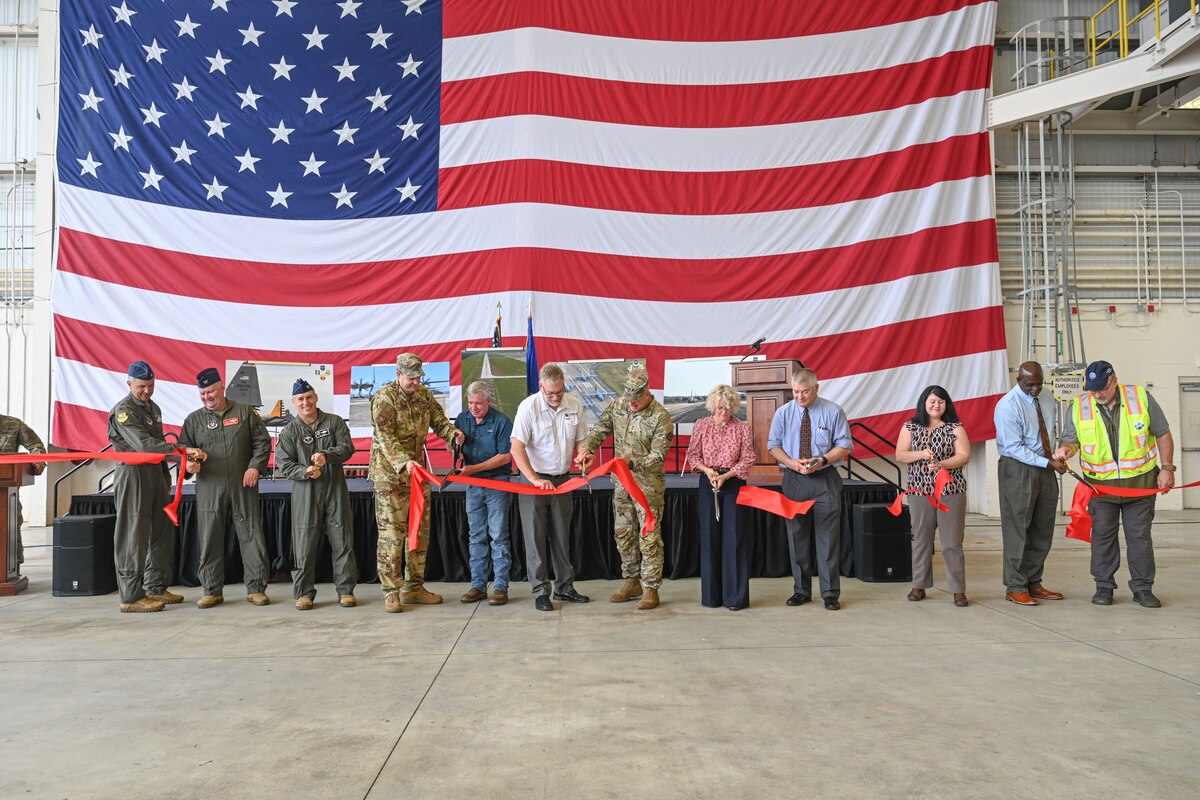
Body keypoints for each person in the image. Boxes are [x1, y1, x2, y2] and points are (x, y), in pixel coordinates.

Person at [1053, 360, 1175, 608]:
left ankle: (1142, 588)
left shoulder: (1140, 397)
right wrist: (1066, 451)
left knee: (1139, 538)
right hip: (1100, 489)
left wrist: (1167, 468)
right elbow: (1071, 440)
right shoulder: (1079, 406)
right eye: (1092, 389)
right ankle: (1104, 586)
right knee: (1102, 538)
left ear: (1114, 380)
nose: (1097, 393)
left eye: (1102, 388)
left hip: (1140, 486)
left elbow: (1162, 432)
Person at [369, 353, 464, 613]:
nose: (414, 381)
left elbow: (440, 422)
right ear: (398, 375)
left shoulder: (423, 395)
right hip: (391, 477)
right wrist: (405, 461)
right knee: (392, 537)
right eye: (410, 377)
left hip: (417, 476)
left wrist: (453, 435)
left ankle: (414, 587)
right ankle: (391, 591)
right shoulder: (384, 399)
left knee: (419, 533)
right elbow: (385, 438)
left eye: (418, 376)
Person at [578, 367, 674, 610]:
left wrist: (632, 464)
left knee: (649, 539)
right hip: (621, 487)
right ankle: (632, 581)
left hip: (647, 490)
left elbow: (658, 456)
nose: (631, 404)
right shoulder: (618, 405)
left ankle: (651, 588)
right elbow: (600, 430)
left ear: (647, 393)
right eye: (628, 399)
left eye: (636, 400)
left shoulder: (660, 417)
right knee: (623, 535)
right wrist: (588, 449)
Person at [107, 361, 198, 613]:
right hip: (133, 474)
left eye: (150, 385)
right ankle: (131, 596)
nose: (146, 391)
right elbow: (143, 444)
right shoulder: (124, 410)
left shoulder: (153, 407)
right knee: (133, 534)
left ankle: (155, 587)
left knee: (161, 531)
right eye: (141, 386)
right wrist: (179, 451)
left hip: (155, 474)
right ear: (129, 384)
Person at [179, 367, 272, 609]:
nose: (206, 397)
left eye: (210, 391)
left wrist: (255, 467)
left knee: (251, 535)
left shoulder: (244, 412)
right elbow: (184, 452)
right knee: (209, 537)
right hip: (210, 487)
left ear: (221, 387)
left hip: (243, 483)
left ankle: (256, 588)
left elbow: (262, 443)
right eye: (202, 394)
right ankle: (211, 590)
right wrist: (190, 466)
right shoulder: (193, 420)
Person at [767, 368, 852, 610]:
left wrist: (822, 460)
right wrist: (791, 462)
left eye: (804, 392)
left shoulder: (833, 411)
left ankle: (830, 594)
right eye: (795, 392)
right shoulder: (783, 413)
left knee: (828, 538)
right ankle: (801, 591)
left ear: (817, 387)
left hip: (824, 478)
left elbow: (845, 445)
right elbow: (773, 445)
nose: (799, 397)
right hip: (794, 479)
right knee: (797, 537)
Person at [510, 363, 590, 611]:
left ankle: (565, 588)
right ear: (540, 387)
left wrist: (584, 454)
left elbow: (582, 439)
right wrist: (534, 478)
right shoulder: (529, 407)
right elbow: (516, 447)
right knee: (535, 538)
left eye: (559, 391)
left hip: (563, 480)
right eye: (550, 393)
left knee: (561, 536)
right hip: (534, 482)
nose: (555, 397)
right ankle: (540, 591)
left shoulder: (574, 404)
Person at [275, 379, 358, 610]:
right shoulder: (290, 431)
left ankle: (346, 590)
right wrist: (305, 471)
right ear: (294, 402)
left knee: (342, 540)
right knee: (303, 543)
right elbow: (284, 463)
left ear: (316, 398)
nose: (305, 403)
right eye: (300, 399)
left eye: (309, 397)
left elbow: (347, 447)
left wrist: (326, 455)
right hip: (305, 492)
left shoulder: (334, 422)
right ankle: (303, 593)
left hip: (334, 488)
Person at [994, 361, 1068, 606]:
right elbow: (1014, 448)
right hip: (1018, 468)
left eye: (1039, 384)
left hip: (1046, 465)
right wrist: (1047, 464)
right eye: (1030, 385)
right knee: (1018, 528)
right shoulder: (1007, 406)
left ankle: (1034, 582)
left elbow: (1051, 431)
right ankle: (1015, 586)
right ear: (1019, 381)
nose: (1035, 389)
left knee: (1042, 526)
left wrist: (1057, 456)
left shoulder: (1046, 397)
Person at [895, 385, 972, 607]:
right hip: (920, 491)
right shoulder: (910, 427)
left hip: (951, 491)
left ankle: (958, 590)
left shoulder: (955, 427)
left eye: (940, 401)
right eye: (932, 401)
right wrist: (921, 454)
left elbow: (964, 455)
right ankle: (919, 585)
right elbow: (900, 454)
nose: (936, 405)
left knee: (952, 542)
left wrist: (941, 465)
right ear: (924, 403)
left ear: (946, 404)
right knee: (921, 539)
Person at [684, 384, 756, 610]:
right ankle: (712, 596)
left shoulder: (742, 428)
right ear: (712, 406)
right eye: (719, 407)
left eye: (727, 407)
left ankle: (735, 598)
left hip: (733, 482)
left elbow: (748, 457)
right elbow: (693, 454)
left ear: (734, 407)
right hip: (708, 481)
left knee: (734, 539)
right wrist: (707, 471)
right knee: (709, 538)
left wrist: (728, 475)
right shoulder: (702, 425)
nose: (723, 412)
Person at [453, 381, 514, 606]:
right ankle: (477, 585)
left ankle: (500, 586)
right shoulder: (462, 419)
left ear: (488, 401)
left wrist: (473, 469)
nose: (474, 407)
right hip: (473, 486)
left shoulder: (502, 422)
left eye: (478, 403)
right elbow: (455, 449)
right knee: (475, 535)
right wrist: (456, 449)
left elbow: (505, 457)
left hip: (497, 483)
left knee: (498, 536)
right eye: (470, 403)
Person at [0, 412, 45, 570]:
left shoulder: (13, 424)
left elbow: (36, 446)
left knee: (10, 524)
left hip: (5, 492)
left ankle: (11, 569)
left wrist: (37, 462)